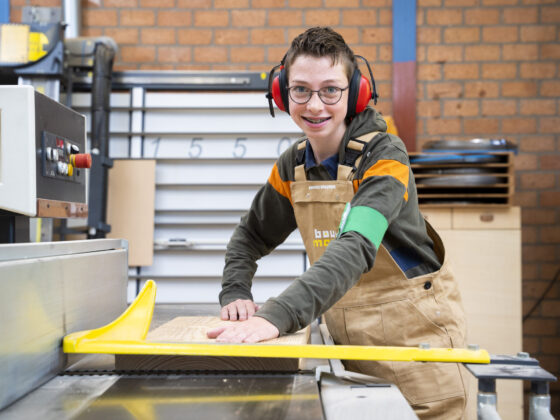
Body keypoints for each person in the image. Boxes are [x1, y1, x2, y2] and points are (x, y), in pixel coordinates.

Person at [207, 26, 468, 419]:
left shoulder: (385, 158)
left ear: (356, 93)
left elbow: (357, 245)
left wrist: (277, 315)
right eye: (301, 90)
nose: (314, 105)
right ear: (281, 93)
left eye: (330, 90)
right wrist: (235, 292)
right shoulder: (293, 165)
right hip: (347, 355)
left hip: (417, 351)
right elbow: (250, 236)